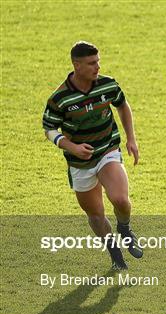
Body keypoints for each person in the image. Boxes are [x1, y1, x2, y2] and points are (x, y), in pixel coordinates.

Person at [42, 41, 143, 270]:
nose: (97, 67)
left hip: (107, 149)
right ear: (76, 65)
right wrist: (71, 146)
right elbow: (49, 129)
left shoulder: (107, 85)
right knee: (96, 216)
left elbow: (122, 105)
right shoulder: (60, 98)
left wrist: (131, 138)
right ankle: (115, 254)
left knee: (120, 200)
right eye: (91, 63)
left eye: (98, 61)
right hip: (80, 162)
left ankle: (125, 227)